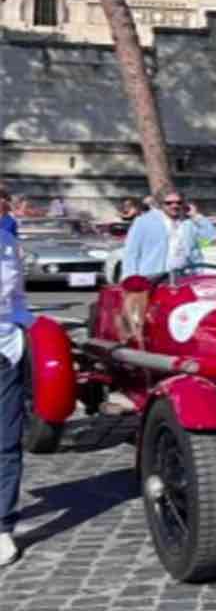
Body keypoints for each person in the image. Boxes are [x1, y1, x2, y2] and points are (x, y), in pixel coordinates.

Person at [0, 219, 32, 567]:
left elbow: (17, 298)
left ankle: (2, 526)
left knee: (6, 443)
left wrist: (33, 327)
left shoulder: (7, 242)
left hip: (6, 350)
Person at [121, 187, 216, 277]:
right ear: (160, 204)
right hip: (153, 278)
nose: (174, 205)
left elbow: (212, 236)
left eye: (179, 202)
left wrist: (196, 216)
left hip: (185, 277)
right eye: (169, 203)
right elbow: (131, 253)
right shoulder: (143, 222)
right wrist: (131, 278)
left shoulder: (188, 223)